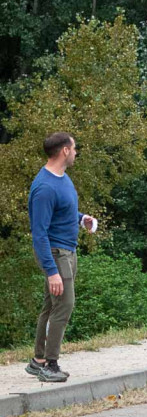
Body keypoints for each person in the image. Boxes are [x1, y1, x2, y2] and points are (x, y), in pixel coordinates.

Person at [26, 132, 97, 383]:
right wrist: (51, 270)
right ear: (65, 151)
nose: (76, 152)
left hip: (68, 250)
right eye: (75, 148)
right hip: (56, 254)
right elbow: (39, 233)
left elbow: (64, 209)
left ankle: (38, 361)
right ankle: (50, 365)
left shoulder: (62, 179)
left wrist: (81, 219)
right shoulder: (44, 187)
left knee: (51, 306)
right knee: (64, 305)